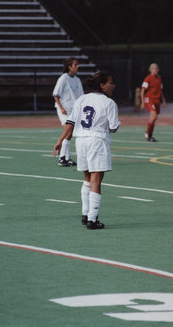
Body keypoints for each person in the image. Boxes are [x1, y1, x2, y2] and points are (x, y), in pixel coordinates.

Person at [53, 71, 120, 230]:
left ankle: (85, 214)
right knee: (96, 179)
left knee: (87, 178)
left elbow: (70, 122)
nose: (113, 85)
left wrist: (60, 140)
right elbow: (113, 127)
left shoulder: (81, 99)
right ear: (102, 85)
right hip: (97, 140)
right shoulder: (109, 102)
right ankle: (92, 219)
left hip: (81, 140)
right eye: (110, 82)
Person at [52, 57, 84, 166]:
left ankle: (67, 158)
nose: (77, 67)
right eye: (75, 65)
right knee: (68, 131)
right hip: (64, 110)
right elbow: (56, 95)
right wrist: (61, 108)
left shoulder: (77, 80)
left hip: (73, 110)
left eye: (78, 64)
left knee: (70, 134)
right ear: (69, 67)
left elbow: (81, 96)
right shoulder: (63, 78)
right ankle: (62, 158)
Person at [141, 63, 166, 142]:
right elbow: (142, 91)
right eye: (156, 69)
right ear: (151, 69)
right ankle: (147, 131)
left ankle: (150, 136)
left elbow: (161, 90)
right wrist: (142, 102)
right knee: (154, 116)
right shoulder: (148, 78)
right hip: (149, 99)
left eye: (158, 69)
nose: (157, 70)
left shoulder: (159, 78)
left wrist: (163, 100)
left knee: (154, 119)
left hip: (157, 100)